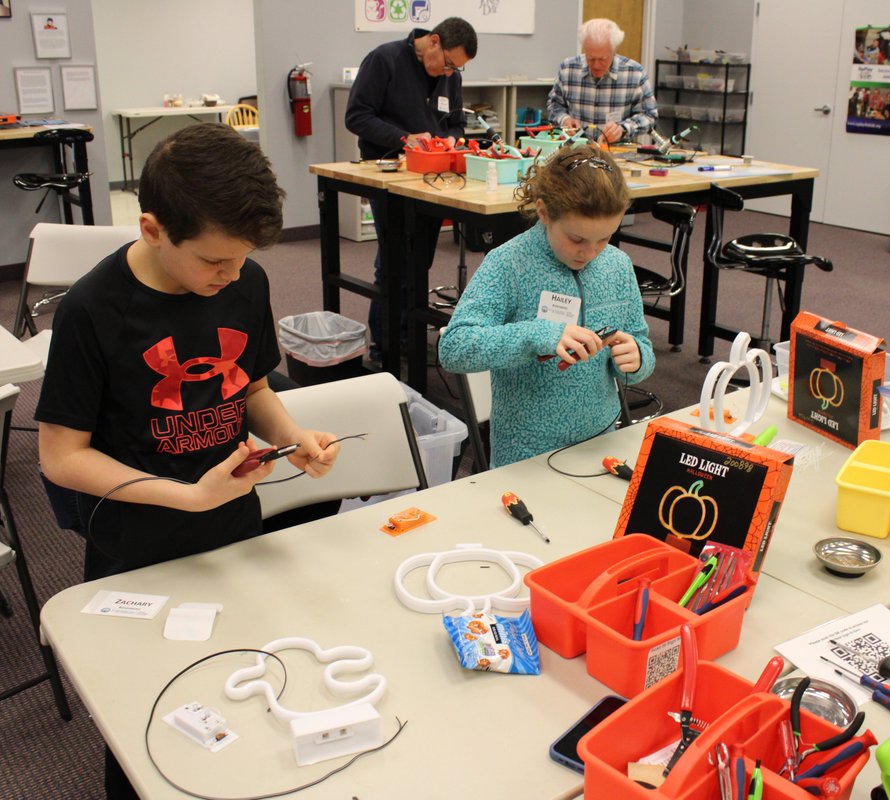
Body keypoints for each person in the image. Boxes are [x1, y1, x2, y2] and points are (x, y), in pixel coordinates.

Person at [36, 123, 342, 797]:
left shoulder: (244, 278)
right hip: (137, 546)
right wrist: (187, 497)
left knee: (239, 691)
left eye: (239, 261)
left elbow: (252, 385)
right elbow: (61, 456)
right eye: (213, 262)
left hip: (231, 528)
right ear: (151, 229)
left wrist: (294, 435)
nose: (230, 276)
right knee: (146, 715)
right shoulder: (95, 308)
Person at [439, 144, 655, 467]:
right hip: (526, 455)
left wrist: (637, 358)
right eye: (577, 239)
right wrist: (538, 335)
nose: (591, 252)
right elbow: (454, 347)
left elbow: (642, 344)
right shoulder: (509, 263)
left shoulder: (618, 266)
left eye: (604, 239)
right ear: (544, 213)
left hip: (600, 447)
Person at [345, 16, 478, 362]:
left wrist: (451, 138)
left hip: (432, 177)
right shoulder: (384, 60)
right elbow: (357, 116)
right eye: (449, 64)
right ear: (433, 41)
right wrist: (404, 139)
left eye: (457, 70)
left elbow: (457, 121)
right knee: (393, 262)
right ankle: (384, 347)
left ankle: (409, 339)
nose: (450, 74)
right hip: (388, 172)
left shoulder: (450, 75)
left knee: (419, 261)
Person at [546, 18, 658, 145]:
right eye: (591, 58)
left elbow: (649, 115)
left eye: (603, 59)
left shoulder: (635, 73)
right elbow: (554, 106)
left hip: (616, 153)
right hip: (577, 151)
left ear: (614, 51)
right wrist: (565, 120)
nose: (596, 65)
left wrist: (624, 128)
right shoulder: (568, 69)